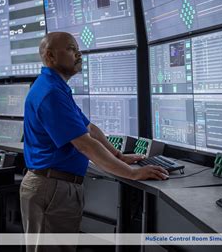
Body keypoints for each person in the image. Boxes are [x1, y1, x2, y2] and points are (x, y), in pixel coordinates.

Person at [20, 32, 168, 251]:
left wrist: (119, 156)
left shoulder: (55, 87)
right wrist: (132, 173)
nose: (78, 54)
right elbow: (85, 144)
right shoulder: (50, 92)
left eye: (77, 49)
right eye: (71, 48)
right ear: (50, 56)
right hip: (51, 188)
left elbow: (89, 128)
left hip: (55, 186)